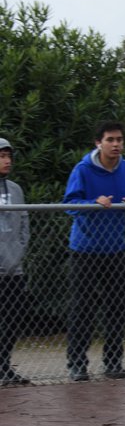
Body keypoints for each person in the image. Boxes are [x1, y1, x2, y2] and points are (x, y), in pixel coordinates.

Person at [63, 121, 125, 382]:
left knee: (116, 308)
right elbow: (69, 204)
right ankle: (77, 365)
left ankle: (113, 363)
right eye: (110, 140)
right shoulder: (83, 170)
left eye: (119, 140)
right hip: (85, 250)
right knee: (82, 309)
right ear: (98, 143)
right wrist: (93, 203)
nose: (116, 145)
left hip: (116, 250)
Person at [0, 137, 31, 386]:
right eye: (2, 156)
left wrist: (15, 258)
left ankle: (4, 367)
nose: (7, 161)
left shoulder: (16, 189)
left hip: (14, 269)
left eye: (9, 155)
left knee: (11, 321)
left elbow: (24, 228)